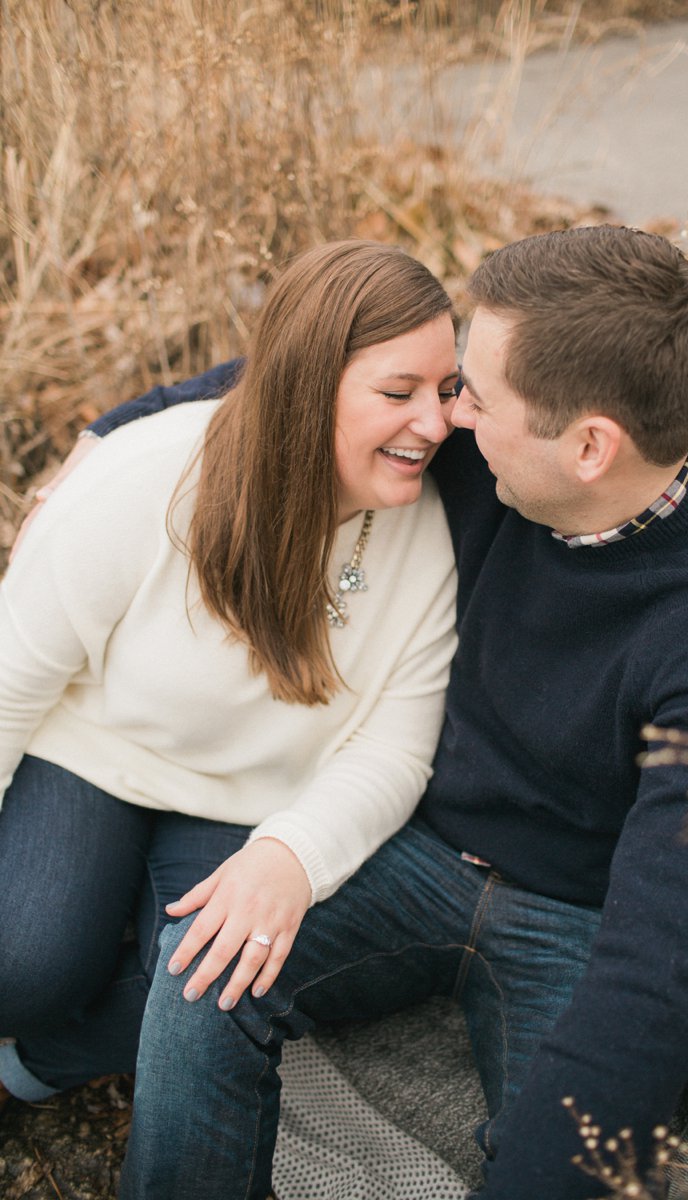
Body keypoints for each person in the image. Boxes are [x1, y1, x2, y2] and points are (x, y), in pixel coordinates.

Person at [19, 226, 688, 1199]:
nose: (443, 416)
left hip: (575, 918)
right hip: (409, 855)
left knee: (586, 1167)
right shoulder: (487, 447)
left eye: (471, 391)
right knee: (199, 979)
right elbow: (320, 380)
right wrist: (122, 426)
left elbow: (663, 958)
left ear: (589, 445)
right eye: (446, 386)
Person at [0, 241, 459, 1112]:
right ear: (304, 383)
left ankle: (37, 1067)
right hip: (94, 754)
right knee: (20, 966)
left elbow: (397, 749)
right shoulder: (145, 478)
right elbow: (9, 681)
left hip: (253, 807)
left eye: (445, 390)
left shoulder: (426, 534)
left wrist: (294, 856)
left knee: (207, 992)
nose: (434, 424)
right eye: (398, 394)